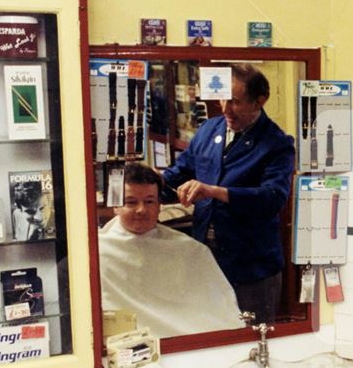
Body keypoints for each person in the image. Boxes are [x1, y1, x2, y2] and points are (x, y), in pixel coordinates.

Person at [162, 63, 294, 324]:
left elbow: (273, 198)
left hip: (252, 269)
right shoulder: (210, 130)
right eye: (222, 98)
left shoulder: (276, 143)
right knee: (207, 333)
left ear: (260, 101)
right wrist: (152, 184)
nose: (225, 109)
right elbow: (180, 173)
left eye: (235, 101)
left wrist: (215, 191)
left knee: (251, 339)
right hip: (206, 261)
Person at [99, 162, 242, 338]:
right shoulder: (98, 252)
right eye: (131, 202)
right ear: (115, 205)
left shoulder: (192, 250)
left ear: (160, 205)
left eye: (150, 201)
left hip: (186, 340)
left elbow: (220, 310)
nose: (141, 210)